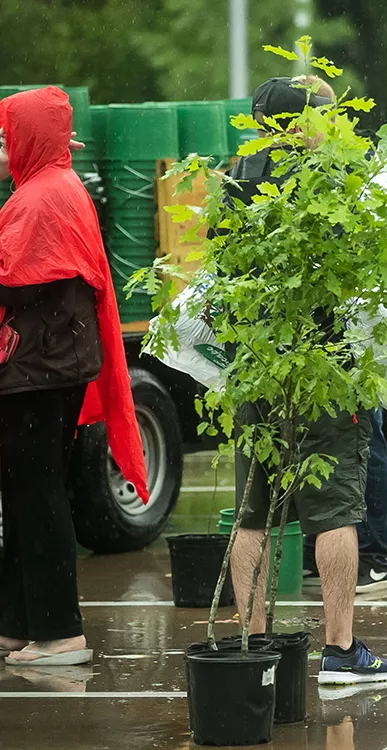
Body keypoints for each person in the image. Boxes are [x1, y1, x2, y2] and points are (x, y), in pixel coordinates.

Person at [225, 77, 387, 686]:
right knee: (335, 512)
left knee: (252, 515)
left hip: (256, 369)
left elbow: (223, 279)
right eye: (323, 115)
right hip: (323, 373)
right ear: (303, 122)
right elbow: (365, 276)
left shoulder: (235, 177)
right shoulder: (334, 180)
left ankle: (252, 645)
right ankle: (340, 650)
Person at [0, 87, 148, 666]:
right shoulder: (58, 186)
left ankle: (60, 633)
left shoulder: (42, 197)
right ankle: (17, 624)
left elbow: (16, 276)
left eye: (12, 133)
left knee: (37, 500)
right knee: (27, 496)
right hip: (48, 370)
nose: (8, 145)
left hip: (36, 375)